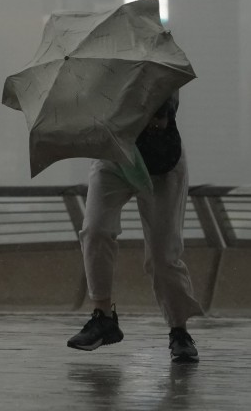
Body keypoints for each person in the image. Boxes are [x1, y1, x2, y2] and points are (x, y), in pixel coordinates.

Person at [67, 90, 203, 362]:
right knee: (95, 230)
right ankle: (103, 318)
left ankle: (179, 331)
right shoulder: (93, 63)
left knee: (163, 255)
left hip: (161, 158)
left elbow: (168, 86)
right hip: (113, 153)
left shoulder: (154, 49)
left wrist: (159, 113)